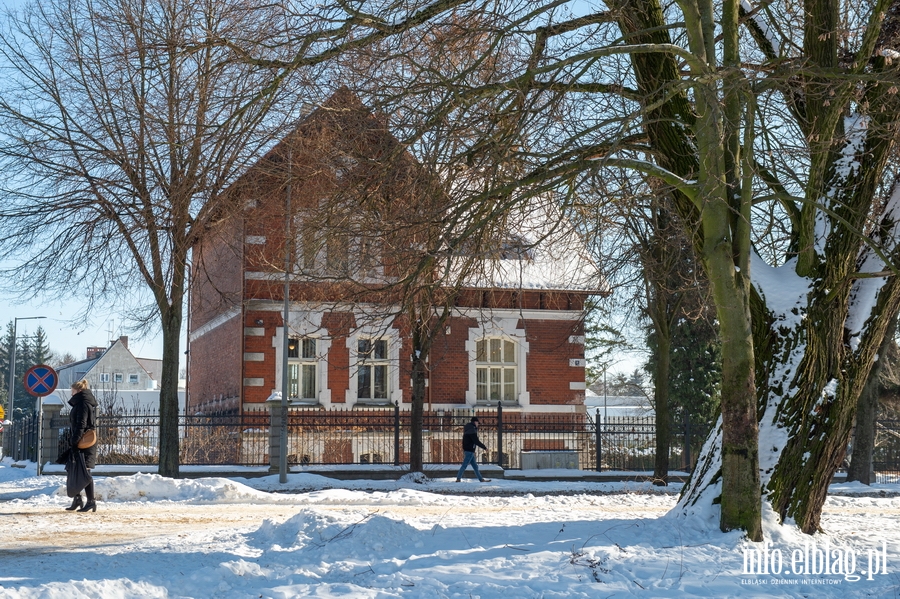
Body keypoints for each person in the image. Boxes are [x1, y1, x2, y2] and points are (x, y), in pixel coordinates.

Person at [66, 379, 98, 513]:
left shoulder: (83, 404)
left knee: (84, 472)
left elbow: (81, 424)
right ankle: (77, 498)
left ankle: (91, 501)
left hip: (83, 443)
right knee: (73, 469)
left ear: (78, 391)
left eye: (72, 390)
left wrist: (74, 441)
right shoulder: (81, 403)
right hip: (80, 441)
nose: (71, 393)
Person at [456, 416, 491, 482]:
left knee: (475, 466)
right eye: (478, 423)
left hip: (469, 450)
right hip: (469, 450)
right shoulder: (472, 430)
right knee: (464, 465)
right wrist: (484, 447)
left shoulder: (468, 429)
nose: (478, 425)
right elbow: (476, 441)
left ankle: (481, 479)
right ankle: (458, 478)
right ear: (475, 422)